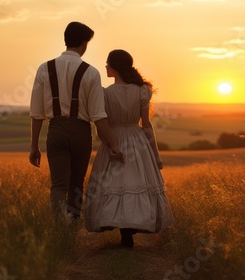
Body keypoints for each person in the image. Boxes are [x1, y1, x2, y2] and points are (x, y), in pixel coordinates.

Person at [29, 22, 123, 221]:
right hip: (81, 131)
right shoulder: (91, 72)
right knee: (76, 184)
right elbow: (98, 115)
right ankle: (72, 225)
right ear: (83, 42)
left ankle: (58, 229)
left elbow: (37, 113)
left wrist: (34, 146)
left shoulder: (44, 69)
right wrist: (113, 144)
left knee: (58, 185)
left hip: (56, 130)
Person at [84, 49, 174, 248]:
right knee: (136, 182)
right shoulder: (142, 90)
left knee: (116, 183)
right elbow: (147, 125)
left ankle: (124, 228)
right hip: (137, 139)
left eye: (108, 63)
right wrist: (156, 155)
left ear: (115, 67)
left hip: (114, 138)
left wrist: (109, 145)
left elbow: (102, 125)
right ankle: (131, 225)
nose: (105, 66)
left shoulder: (104, 93)